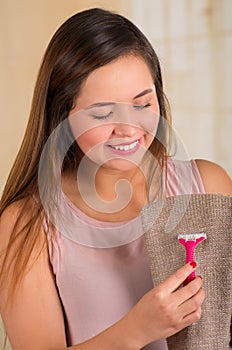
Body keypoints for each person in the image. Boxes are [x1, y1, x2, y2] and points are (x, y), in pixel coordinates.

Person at [0, 8, 231, 350]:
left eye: (142, 104)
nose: (128, 129)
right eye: (103, 113)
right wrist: (137, 330)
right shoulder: (27, 225)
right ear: (63, 114)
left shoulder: (208, 185)